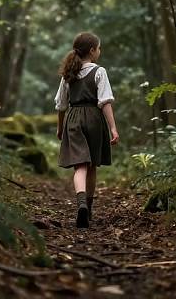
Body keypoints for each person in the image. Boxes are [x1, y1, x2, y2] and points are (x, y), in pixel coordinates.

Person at [54, 32, 119, 228]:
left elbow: (61, 105)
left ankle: (81, 204)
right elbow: (105, 102)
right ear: (92, 51)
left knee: (79, 167)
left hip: (73, 119)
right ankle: (88, 209)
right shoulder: (99, 71)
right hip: (94, 119)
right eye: (98, 48)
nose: (99, 51)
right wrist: (113, 128)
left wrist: (60, 128)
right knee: (92, 167)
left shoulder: (68, 74)